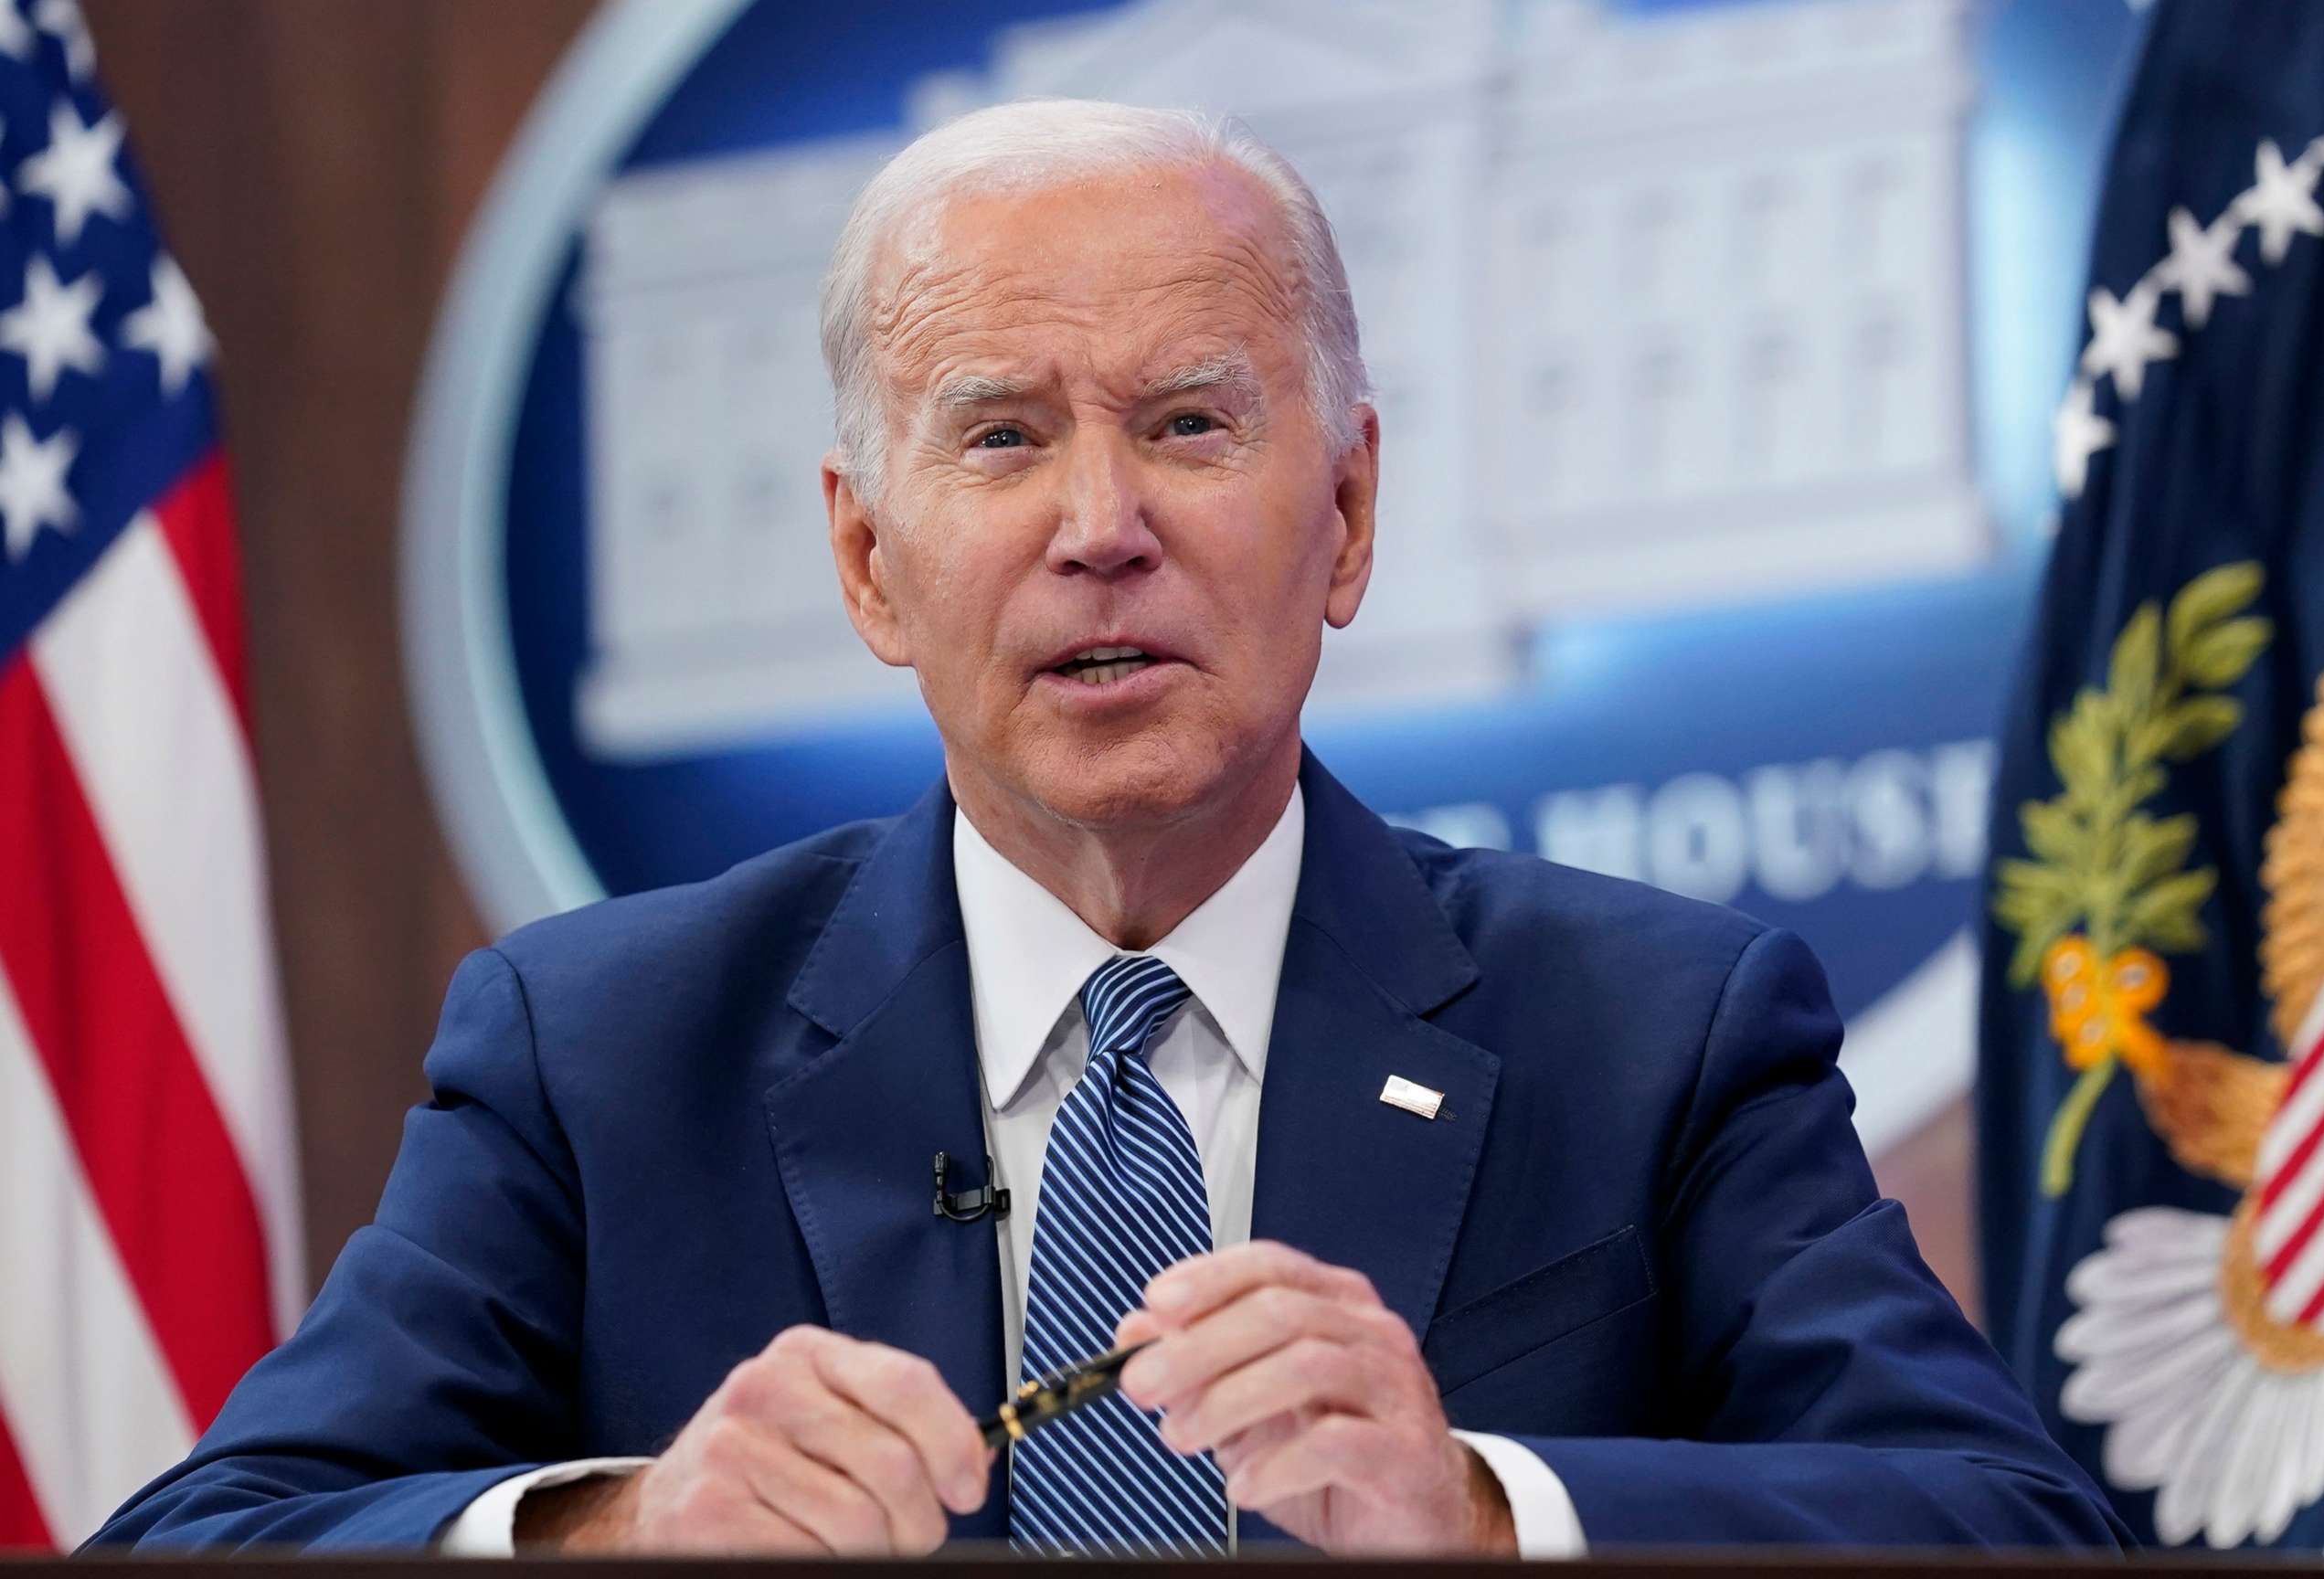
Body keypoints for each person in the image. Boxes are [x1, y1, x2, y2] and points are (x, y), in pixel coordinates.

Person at [91, 100, 2125, 1558]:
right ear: (870, 564)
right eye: (999, 436)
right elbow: (214, 1534)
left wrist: (1488, 1513)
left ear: (1341, 518)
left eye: (1187, 423)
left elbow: (2007, 1525)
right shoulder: (600, 1049)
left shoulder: (1653, 1029)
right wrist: (611, 1534)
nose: (1098, 529)